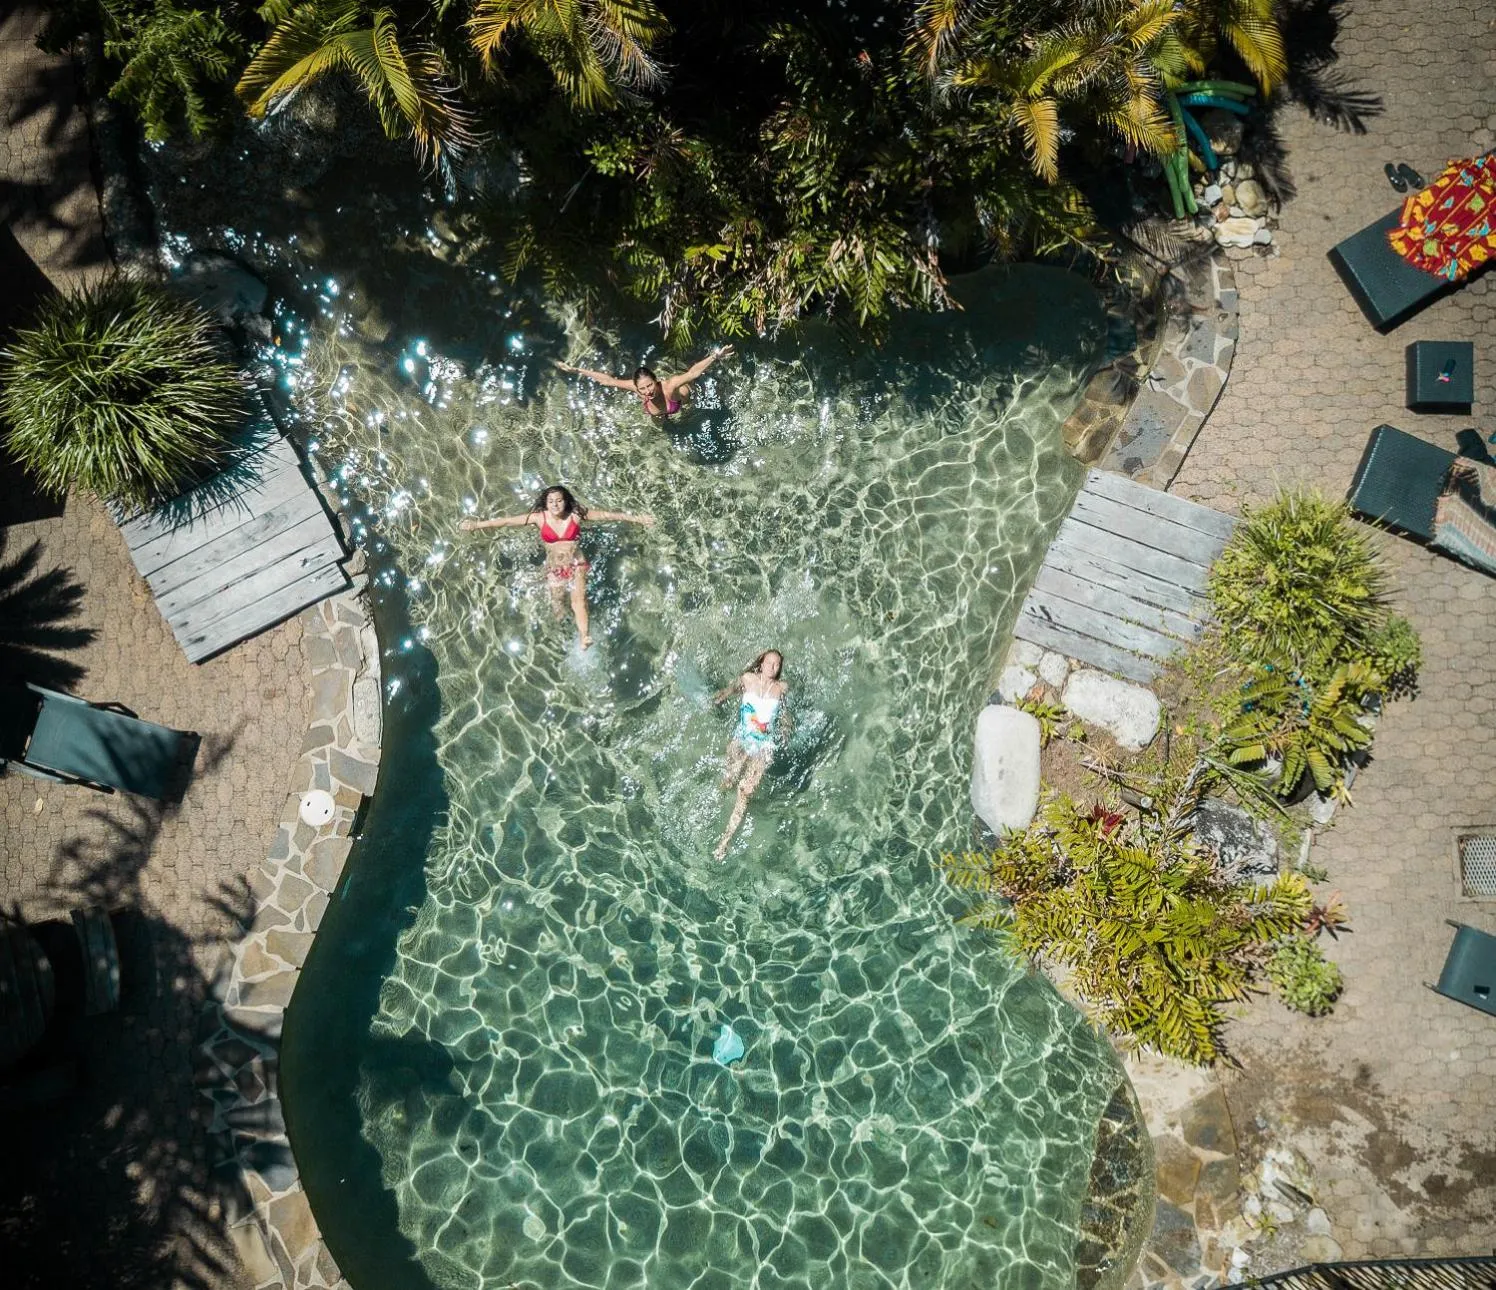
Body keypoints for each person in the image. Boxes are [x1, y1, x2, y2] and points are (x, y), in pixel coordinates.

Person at [459, 484, 653, 650]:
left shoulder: (576, 514)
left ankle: (584, 636)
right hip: (554, 567)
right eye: (551, 501)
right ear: (546, 503)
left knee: (579, 600)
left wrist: (638, 519)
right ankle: (563, 636)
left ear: (565, 501)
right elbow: (507, 521)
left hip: (577, 563)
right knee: (557, 603)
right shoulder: (539, 518)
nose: (555, 505)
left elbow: (607, 515)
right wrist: (476, 525)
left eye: (559, 500)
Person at [711, 649, 790, 860]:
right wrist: (720, 697)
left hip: (764, 746)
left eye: (777, 665)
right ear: (761, 663)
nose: (773, 667)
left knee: (744, 791)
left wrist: (786, 727)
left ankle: (724, 842)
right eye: (770, 663)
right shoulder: (748, 679)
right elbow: (731, 690)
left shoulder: (781, 688)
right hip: (742, 740)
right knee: (728, 781)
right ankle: (715, 805)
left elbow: (784, 713)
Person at [554, 345, 735, 420]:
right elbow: (608, 381)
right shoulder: (637, 389)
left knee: (691, 397)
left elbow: (693, 373)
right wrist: (577, 370)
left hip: (683, 403)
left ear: (656, 381)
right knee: (657, 423)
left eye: (650, 385)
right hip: (660, 413)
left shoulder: (669, 386)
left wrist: (716, 355)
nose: (647, 391)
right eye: (642, 388)